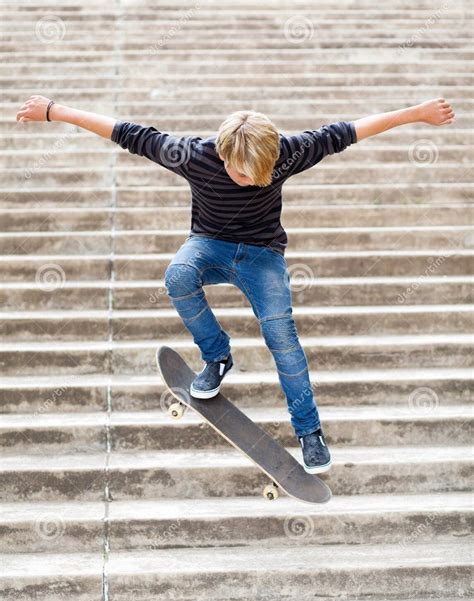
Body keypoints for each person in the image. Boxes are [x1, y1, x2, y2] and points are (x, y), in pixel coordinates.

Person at [16, 95, 455, 474]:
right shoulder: (190, 154)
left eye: (260, 176)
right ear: (223, 156)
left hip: (263, 256)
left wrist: (417, 113)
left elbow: (347, 132)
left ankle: (310, 431)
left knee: (283, 338)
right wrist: (54, 112)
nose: (253, 182)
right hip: (209, 245)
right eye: (243, 175)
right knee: (178, 275)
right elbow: (126, 132)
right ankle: (217, 356)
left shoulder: (286, 152)